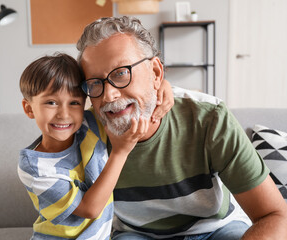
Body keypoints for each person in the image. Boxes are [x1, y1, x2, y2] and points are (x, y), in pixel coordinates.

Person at [76, 16, 287, 239]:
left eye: (120, 73)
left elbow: (274, 215)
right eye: (95, 83)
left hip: (215, 228)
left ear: (156, 73)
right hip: (138, 234)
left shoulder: (209, 118)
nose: (109, 95)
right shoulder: (85, 132)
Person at [17, 53, 171, 239]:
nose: (64, 114)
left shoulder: (89, 124)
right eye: (51, 103)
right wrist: (121, 152)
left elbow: (129, 104)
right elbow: (90, 209)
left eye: (74, 103)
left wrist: (164, 85)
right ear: (29, 108)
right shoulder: (34, 167)